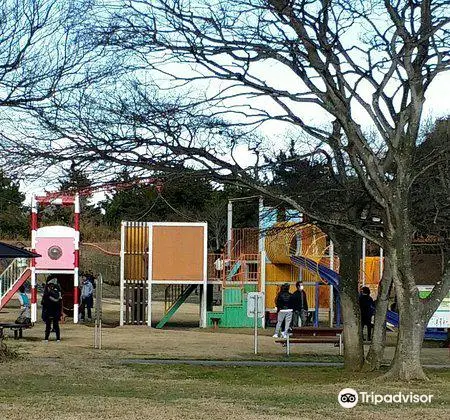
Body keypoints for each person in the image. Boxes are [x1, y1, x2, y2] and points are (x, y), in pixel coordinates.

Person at [42, 278, 62, 342]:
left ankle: (46, 339)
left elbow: (43, 303)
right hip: (56, 312)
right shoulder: (58, 294)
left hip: (49, 312)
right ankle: (58, 338)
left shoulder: (46, 294)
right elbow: (59, 303)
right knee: (56, 326)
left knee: (48, 326)